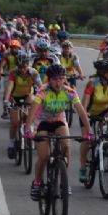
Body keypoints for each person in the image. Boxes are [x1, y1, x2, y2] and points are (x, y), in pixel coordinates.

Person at [26, 64, 91, 200]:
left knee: (66, 145)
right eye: (55, 79)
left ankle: (63, 181)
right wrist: (28, 128)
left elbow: (81, 112)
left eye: (61, 78)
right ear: (49, 80)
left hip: (59, 121)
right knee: (44, 155)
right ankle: (37, 182)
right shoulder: (43, 91)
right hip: (42, 123)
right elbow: (32, 112)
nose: (58, 82)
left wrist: (89, 131)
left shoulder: (70, 92)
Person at [78, 59, 108, 183]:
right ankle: (83, 168)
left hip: (104, 109)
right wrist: (86, 114)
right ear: (104, 73)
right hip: (88, 112)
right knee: (86, 140)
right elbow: (85, 102)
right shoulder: (92, 83)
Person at [3, 51, 43, 158]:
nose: (22, 69)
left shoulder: (34, 72)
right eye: (20, 67)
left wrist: (46, 98)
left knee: (31, 103)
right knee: (15, 122)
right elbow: (10, 87)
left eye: (24, 67)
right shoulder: (13, 73)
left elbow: (41, 87)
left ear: (28, 64)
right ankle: (11, 144)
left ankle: (31, 130)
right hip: (15, 98)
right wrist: (6, 101)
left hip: (27, 96)